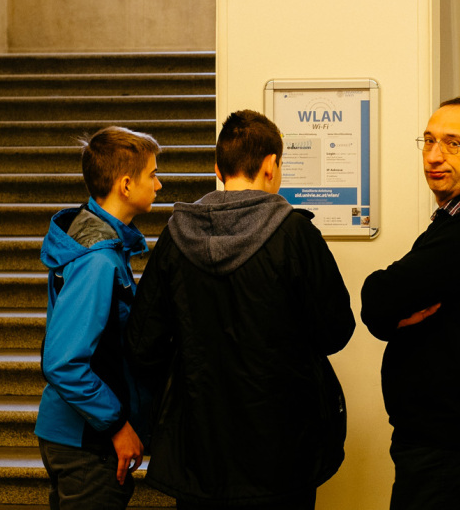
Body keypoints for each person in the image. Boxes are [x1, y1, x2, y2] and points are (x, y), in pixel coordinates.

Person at [125, 110, 355, 510]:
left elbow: (143, 343)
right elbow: (336, 331)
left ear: (218, 168)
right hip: (283, 445)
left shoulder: (176, 237)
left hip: (199, 446)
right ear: (271, 165)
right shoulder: (296, 234)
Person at [361, 98, 460, 510]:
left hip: (459, 452)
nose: (434, 156)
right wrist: (390, 314)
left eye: (453, 144)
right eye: (429, 141)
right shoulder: (457, 222)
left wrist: (388, 308)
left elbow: (380, 298)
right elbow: (385, 310)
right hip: (450, 446)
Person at [36, 126, 162, 509]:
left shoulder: (98, 244)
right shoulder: (97, 261)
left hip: (75, 436)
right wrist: (117, 426)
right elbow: (63, 362)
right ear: (126, 184)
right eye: (152, 174)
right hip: (86, 443)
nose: (159, 185)